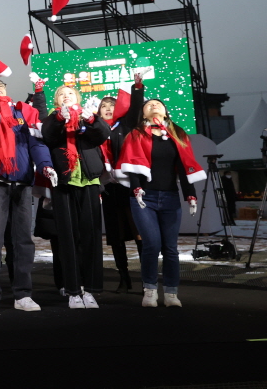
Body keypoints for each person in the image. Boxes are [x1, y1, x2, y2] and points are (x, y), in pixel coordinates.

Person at [0, 44, 54, 313]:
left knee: (23, 242)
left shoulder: (22, 113)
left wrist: (45, 165)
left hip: (23, 184)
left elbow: (37, 145)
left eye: (0, 85)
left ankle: (23, 294)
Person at [119, 99, 205, 308]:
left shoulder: (178, 133)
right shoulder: (136, 134)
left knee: (170, 248)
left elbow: (185, 165)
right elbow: (132, 166)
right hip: (144, 198)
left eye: (157, 104)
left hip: (170, 197)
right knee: (151, 244)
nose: (153, 106)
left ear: (166, 111)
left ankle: (171, 292)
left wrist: (190, 195)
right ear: (143, 114)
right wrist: (136, 189)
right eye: (148, 105)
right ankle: (149, 290)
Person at [41, 84, 111, 309]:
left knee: (90, 236)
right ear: (56, 100)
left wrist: (91, 120)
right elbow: (48, 137)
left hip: (89, 180)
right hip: (63, 182)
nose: (66, 96)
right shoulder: (53, 118)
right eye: (61, 93)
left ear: (77, 97)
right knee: (67, 238)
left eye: (70, 93)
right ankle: (72, 290)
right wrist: (61, 119)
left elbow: (103, 135)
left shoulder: (87, 116)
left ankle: (90, 289)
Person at [98, 75, 145, 293]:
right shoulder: (96, 130)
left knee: (138, 232)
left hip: (129, 185)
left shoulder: (125, 125)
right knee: (116, 236)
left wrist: (137, 88)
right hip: (108, 188)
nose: (108, 109)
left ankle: (148, 278)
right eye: (103, 106)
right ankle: (124, 277)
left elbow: (136, 107)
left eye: (111, 105)